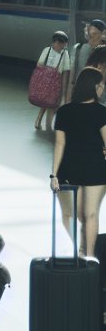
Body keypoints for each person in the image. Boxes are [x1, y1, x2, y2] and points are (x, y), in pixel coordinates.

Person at [51, 69, 106, 259]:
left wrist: (54, 174)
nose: (103, 89)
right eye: (101, 85)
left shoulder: (64, 111)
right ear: (95, 87)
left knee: (70, 214)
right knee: (91, 215)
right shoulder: (102, 112)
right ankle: (90, 258)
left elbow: (59, 144)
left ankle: (76, 251)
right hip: (96, 169)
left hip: (69, 168)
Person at [34, 31, 72, 131]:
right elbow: (40, 64)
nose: (63, 46)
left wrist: (63, 89)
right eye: (62, 43)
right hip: (46, 81)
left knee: (51, 102)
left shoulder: (64, 54)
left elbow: (66, 70)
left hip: (55, 82)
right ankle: (41, 121)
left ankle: (46, 123)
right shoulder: (47, 50)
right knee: (45, 101)